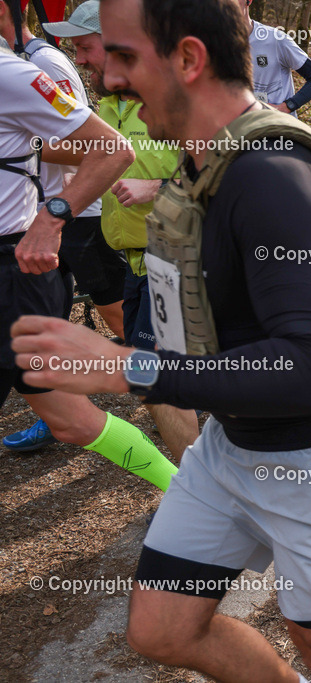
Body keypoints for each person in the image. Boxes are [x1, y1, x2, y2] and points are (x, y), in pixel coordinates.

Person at [13, 0, 311, 678]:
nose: (101, 74)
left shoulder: (270, 176)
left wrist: (125, 367)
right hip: (229, 448)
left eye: (122, 56)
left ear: (190, 59)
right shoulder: (207, 158)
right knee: (162, 626)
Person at [14, 0, 201, 461]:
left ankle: (205, 493)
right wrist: (22, 140)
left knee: (155, 378)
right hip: (140, 258)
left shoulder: (179, 94)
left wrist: (159, 186)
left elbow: (234, 168)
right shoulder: (116, 104)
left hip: (182, 256)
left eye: (85, 47)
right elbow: (84, 149)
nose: (78, 59)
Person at [0, 0, 125, 343]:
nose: (79, 58)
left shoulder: (41, 62)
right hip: (44, 211)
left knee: (119, 314)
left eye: (85, 47)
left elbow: (92, 145)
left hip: (74, 209)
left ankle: (167, 384)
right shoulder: (19, 60)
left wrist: (24, 149)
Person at [237, 0, 311, 114]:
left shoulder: (275, 39)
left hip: (278, 128)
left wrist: (287, 106)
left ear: (248, 1)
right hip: (243, 128)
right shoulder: (217, 45)